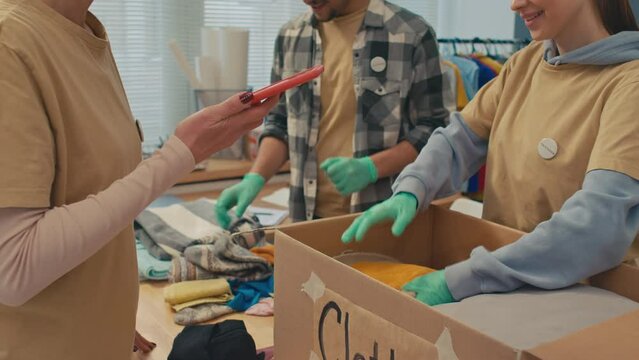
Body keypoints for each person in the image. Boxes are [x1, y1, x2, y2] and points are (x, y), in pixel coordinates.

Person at [0, 0, 277, 358]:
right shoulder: (10, 42)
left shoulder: (83, 31)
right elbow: (15, 267)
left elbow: (89, 200)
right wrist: (180, 155)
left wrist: (106, 311)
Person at [341, 0, 639, 306]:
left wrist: (468, 277)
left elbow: (596, 226)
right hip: (505, 298)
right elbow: (457, 140)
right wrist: (412, 188)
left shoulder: (630, 86)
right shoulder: (524, 65)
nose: (515, 5)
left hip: (583, 311)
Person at [215, 0, 448, 227]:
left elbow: (433, 130)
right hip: (305, 218)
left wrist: (371, 167)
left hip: (380, 217)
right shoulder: (291, 37)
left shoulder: (412, 35)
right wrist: (255, 177)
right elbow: (280, 121)